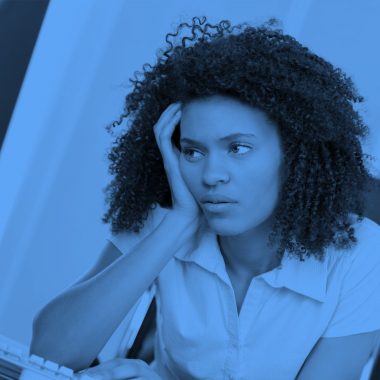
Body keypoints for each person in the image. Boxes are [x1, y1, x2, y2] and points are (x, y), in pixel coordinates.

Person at [30, 16, 380, 379]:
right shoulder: (164, 220)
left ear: (295, 154)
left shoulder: (360, 256)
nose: (211, 176)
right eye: (193, 152)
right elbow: (50, 352)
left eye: (238, 148)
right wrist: (178, 224)